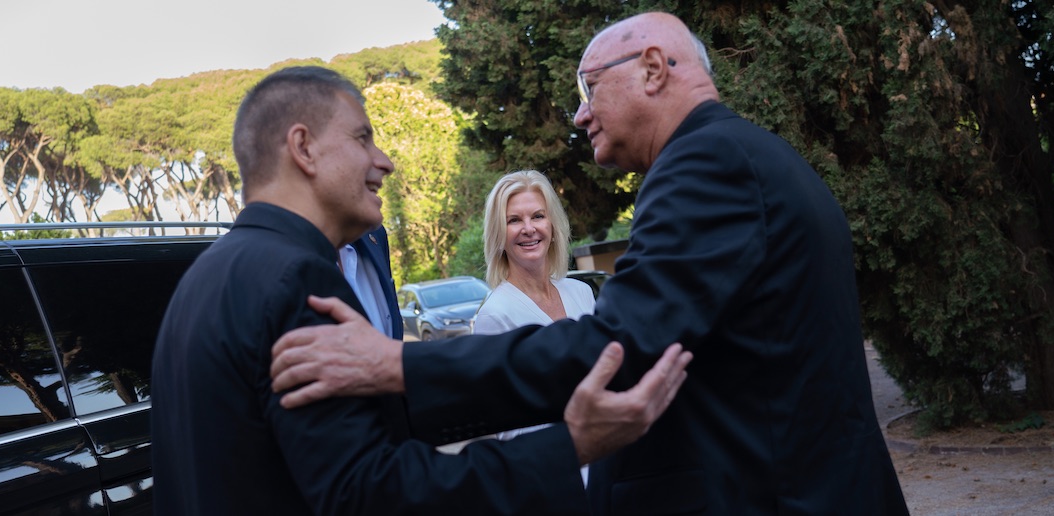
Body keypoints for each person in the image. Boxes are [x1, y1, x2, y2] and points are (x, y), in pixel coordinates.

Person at [270, 12, 909, 515]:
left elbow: (616, 347)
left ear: (654, 68)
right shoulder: (744, 156)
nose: (578, 115)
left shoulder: (705, 164)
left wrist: (395, 365)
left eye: (588, 87)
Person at [150, 65, 692, 515]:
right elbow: (368, 491)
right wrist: (570, 445)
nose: (382, 161)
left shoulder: (203, 277)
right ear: (303, 148)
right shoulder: (297, 279)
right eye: (363, 137)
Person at [469, 170, 597, 484]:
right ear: (499, 234)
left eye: (538, 216)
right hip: (553, 478)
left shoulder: (581, 293)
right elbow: (503, 426)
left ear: (552, 225)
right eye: (514, 220)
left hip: (608, 466)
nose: (529, 229)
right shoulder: (494, 315)